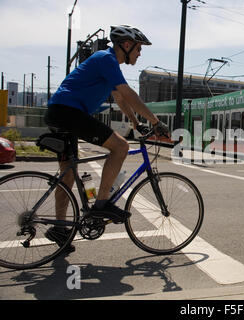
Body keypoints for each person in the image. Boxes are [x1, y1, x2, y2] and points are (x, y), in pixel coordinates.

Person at [44, 25, 168, 252]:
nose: (140, 54)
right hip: (69, 112)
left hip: (59, 113)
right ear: (127, 45)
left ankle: (59, 227)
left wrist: (135, 122)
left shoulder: (107, 63)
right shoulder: (106, 59)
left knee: (68, 174)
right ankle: (101, 205)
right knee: (120, 147)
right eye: (139, 49)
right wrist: (155, 122)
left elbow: (120, 98)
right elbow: (128, 92)